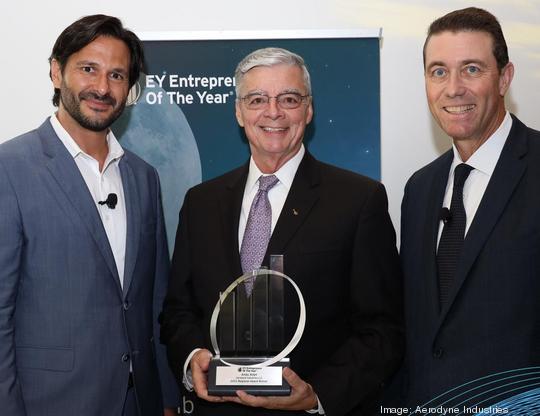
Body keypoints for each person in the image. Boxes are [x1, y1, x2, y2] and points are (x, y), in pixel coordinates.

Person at [160, 47, 403, 416]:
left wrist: (318, 394)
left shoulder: (358, 200)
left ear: (309, 109)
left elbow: (382, 329)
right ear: (239, 112)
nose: (273, 112)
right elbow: (179, 310)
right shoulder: (201, 203)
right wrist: (193, 357)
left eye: (288, 99)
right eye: (257, 99)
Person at [0, 14, 177, 415]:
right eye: (88, 69)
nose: (102, 87)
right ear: (56, 72)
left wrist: (166, 397)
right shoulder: (8, 169)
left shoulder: (144, 177)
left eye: (117, 75)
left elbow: (155, 301)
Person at [399, 7, 540, 407]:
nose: (453, 88)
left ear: (505, 78)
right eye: (438, 71)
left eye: (472, 69)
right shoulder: (419, 189)